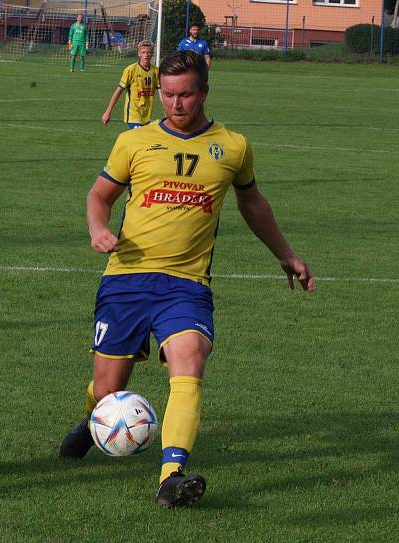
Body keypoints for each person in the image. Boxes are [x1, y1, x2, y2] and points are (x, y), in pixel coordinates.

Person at [58, 51, 314, 508]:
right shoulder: (133, 142)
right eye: (169, 95)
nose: (176, 104)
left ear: (205, 92)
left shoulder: (232, 146)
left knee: (190, 358)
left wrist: (287, 255)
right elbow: (100, 196)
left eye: (186, 95)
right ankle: (93, 420)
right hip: (127, 278)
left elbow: (253, 204)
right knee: (106, 389)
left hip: (187, 284)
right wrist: (99, 228)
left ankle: (171, 476)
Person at [101, 40, 159, 129]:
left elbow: (162, 92)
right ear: (139, 54)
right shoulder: (130, 70)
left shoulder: (156, 71)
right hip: (134, 115)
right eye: (143, 52)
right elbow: (118, 91)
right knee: (140, 139)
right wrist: (108, 112)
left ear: (152, 54)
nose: (146, 55)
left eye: (148, 52)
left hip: (147, 115)